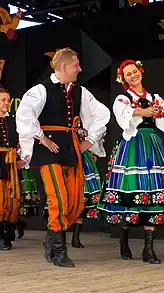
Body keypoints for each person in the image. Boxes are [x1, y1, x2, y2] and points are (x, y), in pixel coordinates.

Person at [16, 47, 110, 268]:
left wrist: (90, 141)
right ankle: (59, 249)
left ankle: (51, 236)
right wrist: (41, 137)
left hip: (71, 149)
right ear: (64, 66)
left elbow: (102, 114)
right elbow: (24, 115)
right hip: (48, 152)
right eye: (77, 64)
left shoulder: (81, 92)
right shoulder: (40, 90)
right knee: (58, 198)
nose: (80, 68)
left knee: (76, 202)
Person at [97, 60, 164, 264]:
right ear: (123, 79)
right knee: (131, 189)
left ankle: (148, 248)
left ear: (141, 72)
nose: (133, 76)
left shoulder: (154, 98)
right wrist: (141, 112)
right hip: (133, 146)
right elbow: (121, 115)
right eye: (128, 74)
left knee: (153, 191)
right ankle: (124, 238)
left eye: (134, 72)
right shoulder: (123, 98)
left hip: (152, 144)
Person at [0, 87, 26, 251]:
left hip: (11, 162)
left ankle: (8, 230)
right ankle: (1, 237)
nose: (7, 103)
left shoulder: (14, 121)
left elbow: (22, 141)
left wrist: (23, 158)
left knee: (13, 200)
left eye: (8, 100)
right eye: (3, 100)